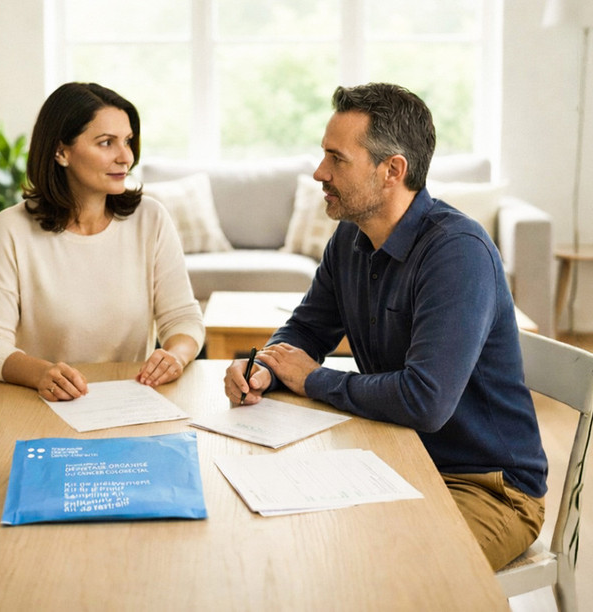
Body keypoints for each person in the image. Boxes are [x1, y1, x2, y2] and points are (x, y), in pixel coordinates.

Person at [223, 83, 547, 570]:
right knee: (284, 543)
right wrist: (267, 368)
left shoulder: (457, 252)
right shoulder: (350, 237)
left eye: (337, 158)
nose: (319, 173)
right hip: (390, 455)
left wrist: (311, 378)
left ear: (392, 170)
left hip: (486, 486)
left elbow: (425, 400)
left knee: (387, 577)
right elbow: (306, 330)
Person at [0, 82, 205, 401]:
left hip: (132, 400)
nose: (126, 157)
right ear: (61, 151)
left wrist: (175, 355)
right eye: (106, 143)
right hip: (45, 403)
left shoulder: (150, 219)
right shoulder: (13, 228)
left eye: (128, 141)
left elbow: (183, 320)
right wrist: (40, 373)